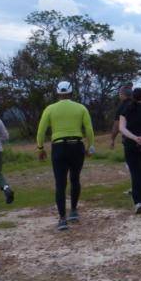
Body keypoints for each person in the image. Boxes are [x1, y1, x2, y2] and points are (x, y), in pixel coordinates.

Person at [36, 81, 95, 232]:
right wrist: (90, 146)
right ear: (71, 92)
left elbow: (41, 130)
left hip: (59, 147)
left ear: (58, 93)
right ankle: (73, 211)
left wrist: (40, 148)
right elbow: (88, 129)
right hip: (77, 146)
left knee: (60, 183)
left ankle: (62, 219)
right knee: (75, 179)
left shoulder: (50, 109)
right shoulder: (81, 108)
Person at [108, 83, 133, 148]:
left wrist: (112, 139)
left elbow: (117, 125)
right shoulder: (140, 104)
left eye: (119, 93)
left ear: (123, 94)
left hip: (129, 138)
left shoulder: (122, 107)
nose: (119, 95)